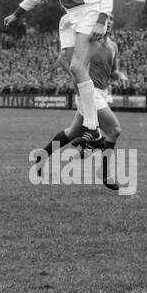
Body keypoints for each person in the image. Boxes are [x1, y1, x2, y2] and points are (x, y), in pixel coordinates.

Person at [3, 0, 112, 150]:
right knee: (75, 70)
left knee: (76, 66)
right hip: (72, 17)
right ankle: (88, 127)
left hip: (91, 12)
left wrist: (101, 19)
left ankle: (92, 129)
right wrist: (17, 14)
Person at [42, 34, 127, 191]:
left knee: (73, 132)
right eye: (106, 19)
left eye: (110, 19)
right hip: (90, 92)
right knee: (114, 130)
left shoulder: (113, 46)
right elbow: (62, 57)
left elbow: (113, 71)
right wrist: (76, 77)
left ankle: (42, 157)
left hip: (102, 93)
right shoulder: (89, 42)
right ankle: (106, 174)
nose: (108, 23)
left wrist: (118, 76)